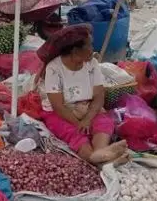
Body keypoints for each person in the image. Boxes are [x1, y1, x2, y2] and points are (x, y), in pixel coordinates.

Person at [38, 25, 128, 165]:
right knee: (73, 132)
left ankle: (100, 152)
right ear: (75, 51)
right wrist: (78, 123)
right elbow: (58, 106)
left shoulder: (92, 64)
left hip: (86, 107)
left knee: (103, 122)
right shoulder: (54, 68)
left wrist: (87, 119)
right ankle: (94, 157)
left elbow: (99, 96)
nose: (92, 49)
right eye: (89, 45)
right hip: (61, 112)